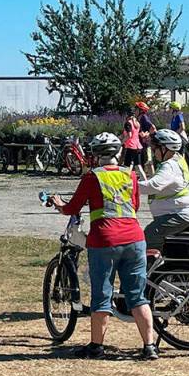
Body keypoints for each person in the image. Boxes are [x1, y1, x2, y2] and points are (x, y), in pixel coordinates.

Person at [49, 133, 158, 360]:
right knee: (137, 296)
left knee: (102, 295)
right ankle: (149, 347)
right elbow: (135, 205)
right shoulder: (130, 174)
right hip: (134, 238)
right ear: (118, 152)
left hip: (104, 240)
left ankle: (96, 347)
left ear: (96, 154)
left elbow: (73, 207)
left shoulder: (92, 177)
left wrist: (59, 204)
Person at [134, 129, 189, 252]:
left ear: (164, 148)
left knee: (150, 234)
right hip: (178, 211)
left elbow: (152, 186)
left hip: (180, 214)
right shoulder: (177, 159)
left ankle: (153, 261)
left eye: (155, 148)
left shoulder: (169, 166)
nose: (153, 152)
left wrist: (127, 185)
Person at [136, 102, 156, 175]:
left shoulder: (144, 118)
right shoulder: (139, 118)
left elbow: (153, 128)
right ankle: (145, 176)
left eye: (136, 108)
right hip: (141, 144)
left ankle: (152, 176)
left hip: (145, 144)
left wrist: (147, 136)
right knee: (142, 161)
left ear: (141, 110)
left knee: (148, 161)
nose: (135, 110)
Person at [121, 104, 144, 168]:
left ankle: (126, 175)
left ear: (127, 115)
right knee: (138, 166)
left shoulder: (128, 123)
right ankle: (143, 175)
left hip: (130, 146)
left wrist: (122, 142)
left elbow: (129, 135)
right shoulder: (137, 123)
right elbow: (140, 134)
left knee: (126, 166)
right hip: (137, 146)